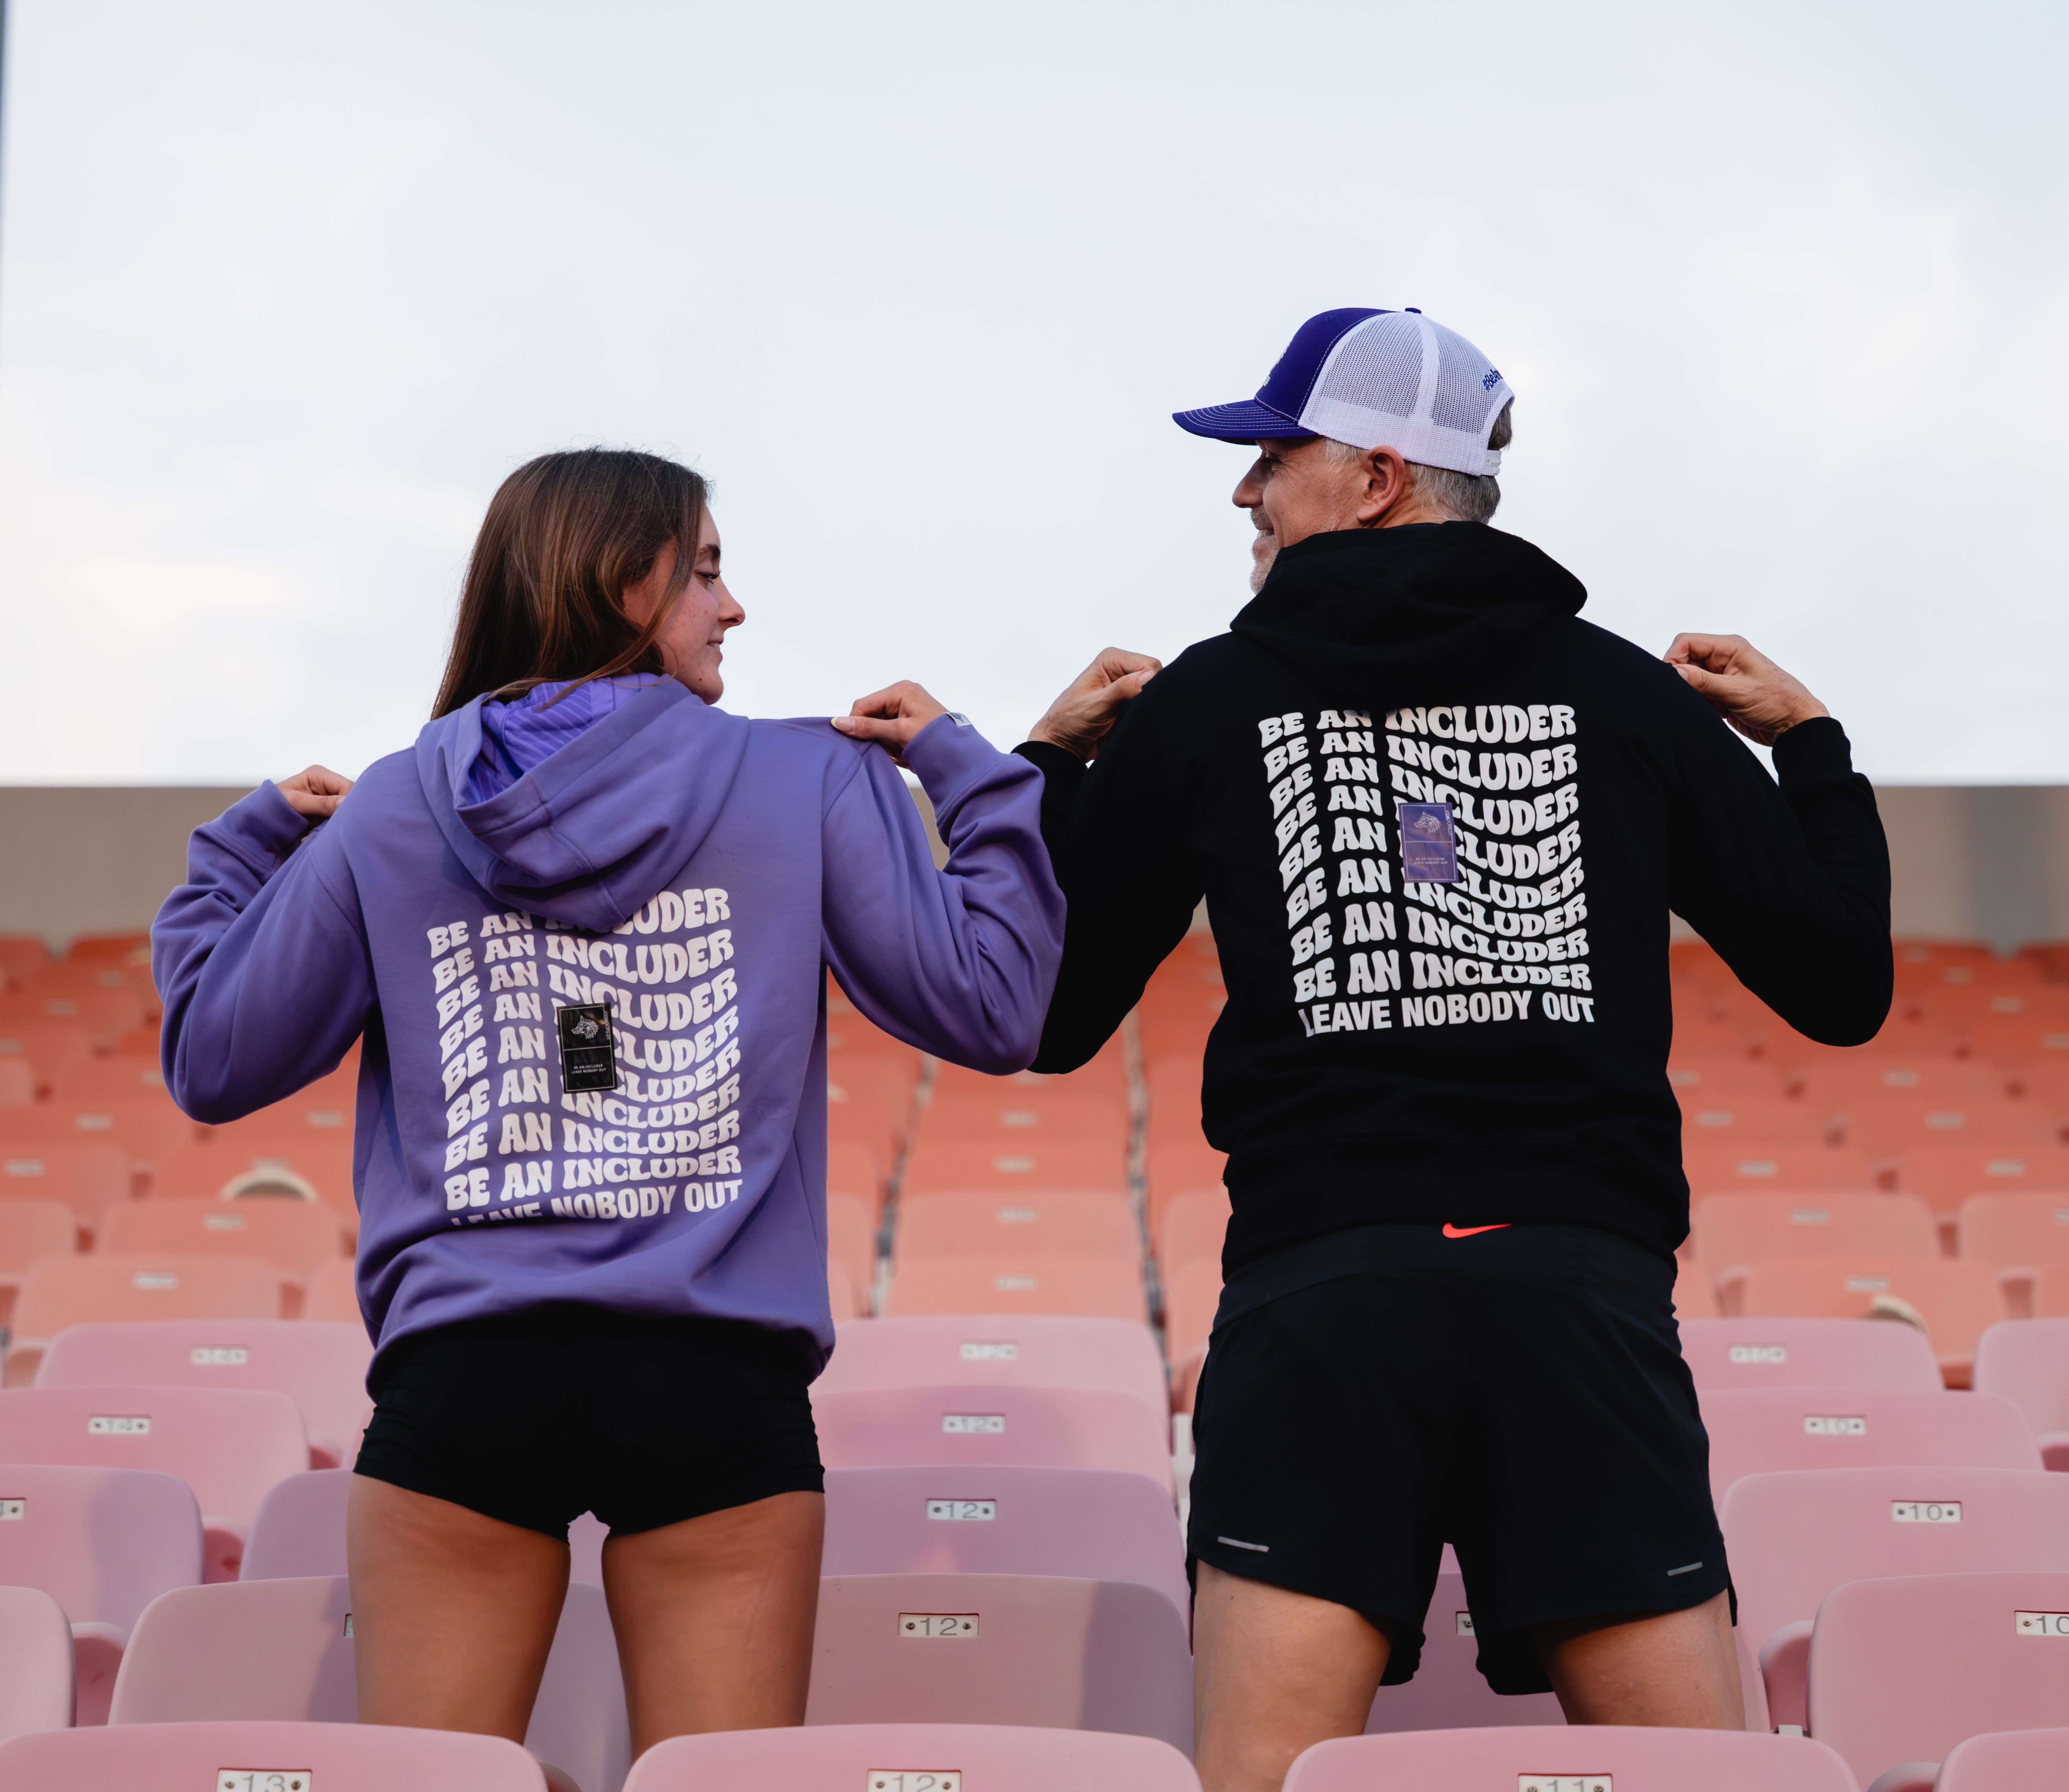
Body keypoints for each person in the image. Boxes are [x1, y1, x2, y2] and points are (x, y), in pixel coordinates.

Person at [946, 307, 1889, 1792]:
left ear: (1380, 476)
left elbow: (1051, 1017)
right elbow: (1840, 985)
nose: (1244, 494)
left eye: (1272, 457)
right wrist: (1814, 739)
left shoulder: (1211, 697)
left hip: (1326, 1296)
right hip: (1577, 1300)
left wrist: (1049, 766)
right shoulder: (1619, 690)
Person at [154, 448, 1063, 1764]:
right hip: (714, 1378)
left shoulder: (394, 802)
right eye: (703, 572)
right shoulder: (812, 779)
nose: (733, 606)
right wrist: (969, 770)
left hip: (463, 1376)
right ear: (618, 582)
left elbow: (213, 1058)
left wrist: (245, 842)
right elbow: (992, 1008)